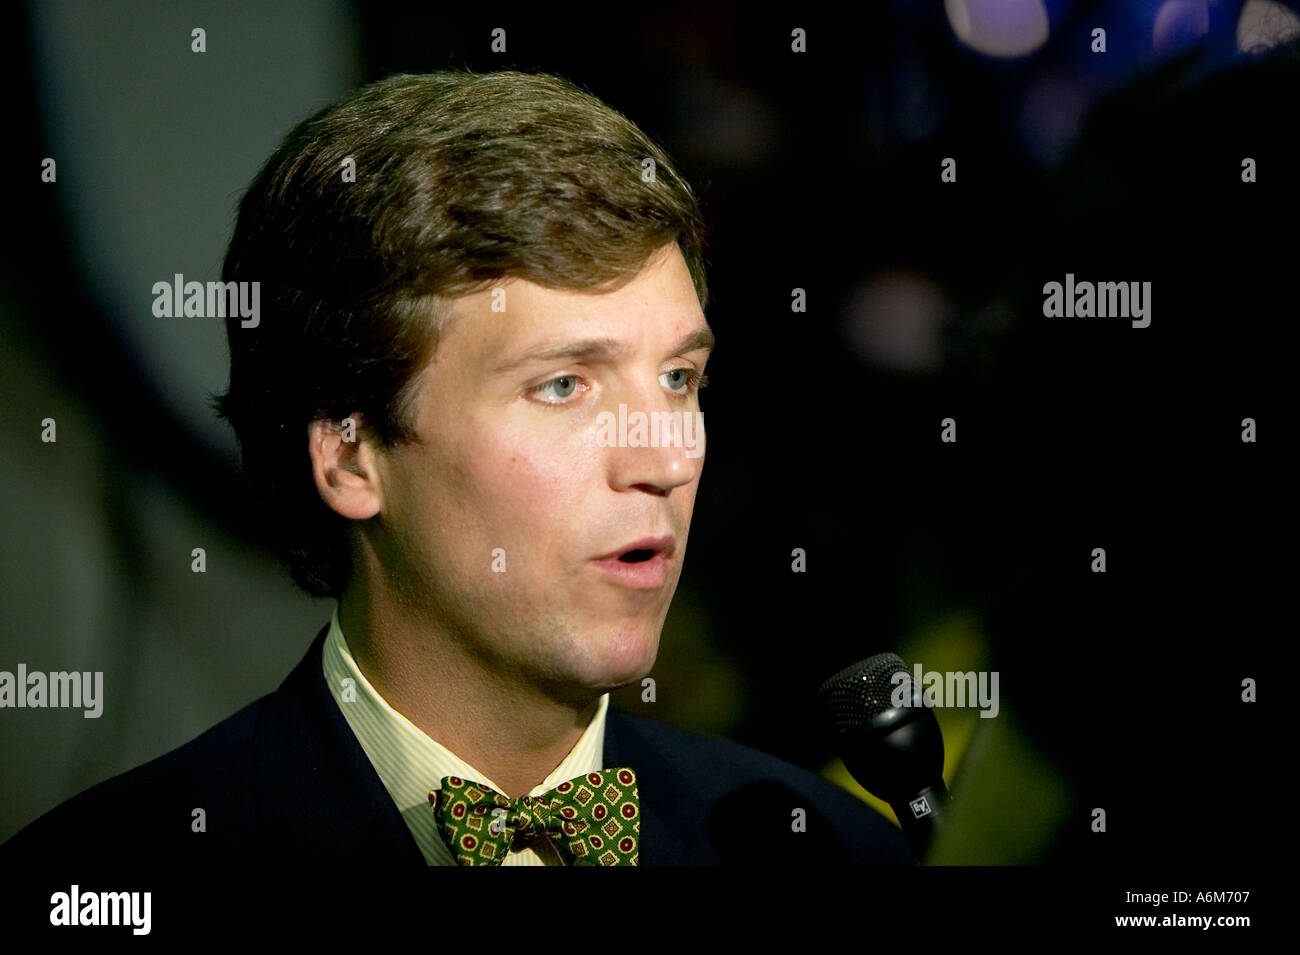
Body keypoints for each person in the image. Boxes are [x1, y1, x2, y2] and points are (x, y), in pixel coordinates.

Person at [1, 70, 912, 868]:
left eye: (679, 378)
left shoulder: (824, 846)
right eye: (563, 385)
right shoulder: (109, 874)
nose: (668, 457)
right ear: (352, 455)